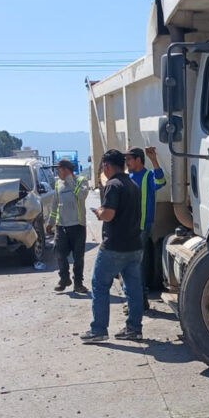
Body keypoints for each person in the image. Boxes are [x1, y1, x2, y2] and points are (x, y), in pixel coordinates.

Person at [80, 149, 144, 343]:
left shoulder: (113, 185)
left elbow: (108, 215)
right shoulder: (133, 184)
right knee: (133, 288)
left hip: (114, 246)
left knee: (99, 285)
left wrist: (99, 212)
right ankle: (134, 329)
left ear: (106, 166)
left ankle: (98, 330)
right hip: (135, 245)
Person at [125, 146, 167, 310]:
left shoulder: (148, 175)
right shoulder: (129, 177)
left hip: (141, 227)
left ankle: (138, 300)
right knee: (132, 265)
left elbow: (161, 182)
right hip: (130, 228)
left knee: (135, 265)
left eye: (129, 159)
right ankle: (138, 299)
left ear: (138, 160)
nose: (127, 162)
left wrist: (154, 160)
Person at [48, 159, 90, 294]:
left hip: (77, 225)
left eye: (59, 170)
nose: (57, 173)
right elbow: (55, 204)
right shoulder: (58, 184)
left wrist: (70, 180)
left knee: (78, 257)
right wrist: (50, 222)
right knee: (59, 253)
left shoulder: (81, 181)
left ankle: (78, 283)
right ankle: (64, 278)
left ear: (66, 170)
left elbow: (82, 196)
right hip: (62, 226)